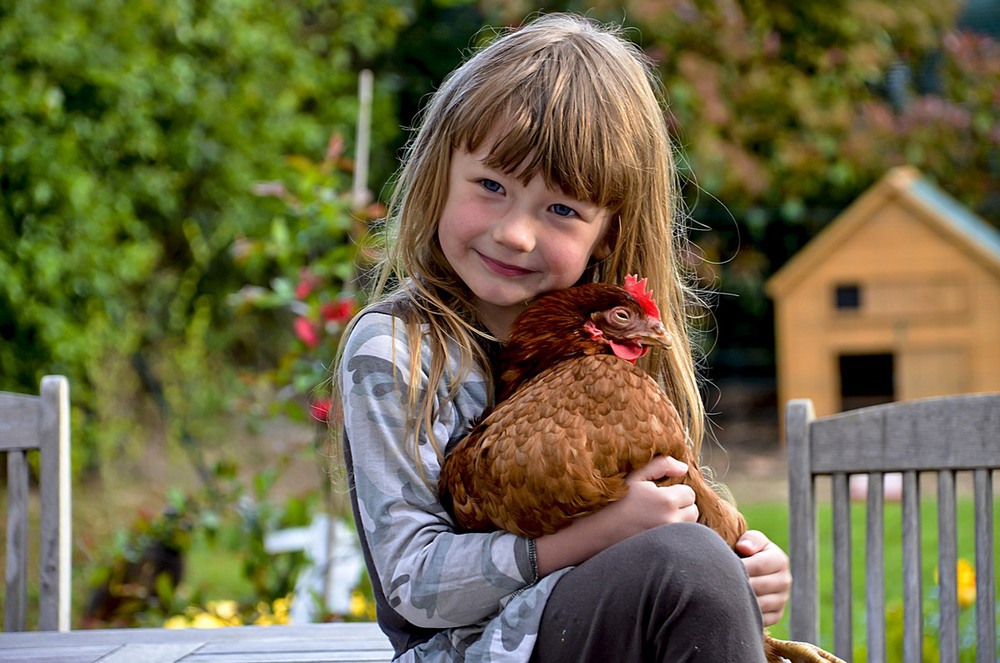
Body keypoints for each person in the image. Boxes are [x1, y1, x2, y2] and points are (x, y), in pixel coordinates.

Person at [335, 12, 791, 662]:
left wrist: (742, 557)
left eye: (561, 210)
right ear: (441, 175)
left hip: (610, 631)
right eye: (492, 186)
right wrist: (605, 535)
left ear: (605, 231)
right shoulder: (397, 351)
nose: (515, 232)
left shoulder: (599, 348)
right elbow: (413, 583)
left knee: (696, 561)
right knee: (685, 564)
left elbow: (663, 499)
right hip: (467, 651)